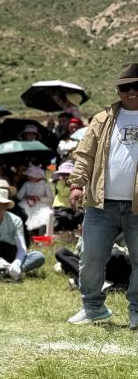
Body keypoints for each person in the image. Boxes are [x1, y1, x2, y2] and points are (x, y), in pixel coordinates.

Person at [66, 63, 138, 326]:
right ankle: (93, 307)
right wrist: (76, 184)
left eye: (136, 86)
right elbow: (85, 154)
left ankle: (137, 311)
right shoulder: (102, 118)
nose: (130, 91)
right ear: (118, 90)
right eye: (125, 86)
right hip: (101, 203)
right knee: (90, 257)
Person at [17, 165, 54, 235]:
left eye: (31, 176)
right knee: (23, 214)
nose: (29, 177)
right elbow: (19, 196)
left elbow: (51, 199)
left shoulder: (45, 184)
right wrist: (27, 197)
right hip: (27, 204)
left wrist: (39, 198)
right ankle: (27, 234)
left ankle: (40, 235)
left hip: (41, 205)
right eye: (29, 175)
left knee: (43, 216)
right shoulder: (26, 184)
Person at [51, 162, 82, 232]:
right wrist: (71, 187)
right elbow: (63, 192)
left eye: (68, 175)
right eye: (64, 175)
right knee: (65, 217)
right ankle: (62, 231)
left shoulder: (75, 183)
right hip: (61, 206)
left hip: (72, 207)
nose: (66, 177)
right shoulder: (59, 183)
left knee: (78, 216)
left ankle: (72, 232)